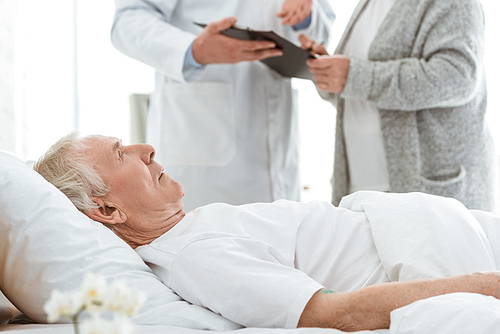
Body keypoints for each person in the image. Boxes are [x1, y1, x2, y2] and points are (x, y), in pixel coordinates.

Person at [34, 132, 500, 331]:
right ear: (109, 209)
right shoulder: (193, 257)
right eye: (122, 154)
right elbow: (328, 314)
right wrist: (481, 286)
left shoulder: (195, 229)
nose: (147, 148)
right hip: (445, 253)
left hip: (438, 227)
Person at [110, 0, 335, 212]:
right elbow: (128, 21)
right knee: (204, 241)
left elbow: (323, 33)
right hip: (201, 132)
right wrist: (194, 50)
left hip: (277, 131)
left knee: (282, 237)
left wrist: (305, 17)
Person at [299, 0, 497, 211]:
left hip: (424, 193)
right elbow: (357, 84)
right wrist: (329, 72)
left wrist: (355, 76)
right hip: (360, 188)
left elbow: (457, 77)